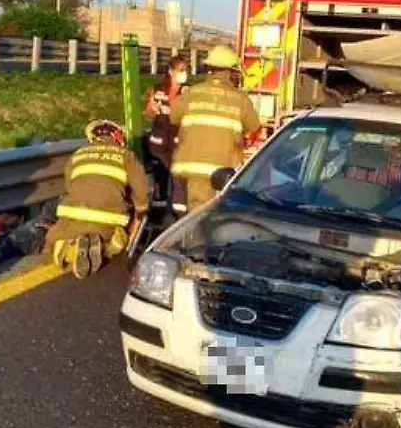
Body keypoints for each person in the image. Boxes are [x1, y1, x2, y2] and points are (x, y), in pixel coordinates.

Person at [45, 120, 149, 279]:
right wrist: (140, 211)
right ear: (117, 137)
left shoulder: (78, 154)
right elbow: (141, 190)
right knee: (109, 232)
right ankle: (109, 246)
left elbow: (69, 186)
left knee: (58, 235)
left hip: (73, 213)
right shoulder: (126, 156)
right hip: (109, 218)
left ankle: (68, 249)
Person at [169, 45, 261, 213]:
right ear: (228, 72)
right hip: (220, 172)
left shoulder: (191, 93)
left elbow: (173, 117)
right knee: (207, 222)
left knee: (193, 217)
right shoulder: (240, 99)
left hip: (190, 170)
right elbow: (254, 127)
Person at [142, 55, 189, 213]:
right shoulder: (157, 90)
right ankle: (158, 207)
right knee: (160, 176)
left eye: (186, 70)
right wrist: (153, 108)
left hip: (179, 140)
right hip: (159, 140)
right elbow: (148, 114)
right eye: (181, 70)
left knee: (179, 177)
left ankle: (179, 211)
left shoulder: (188, 92)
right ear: (170, 71)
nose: (184, 74)